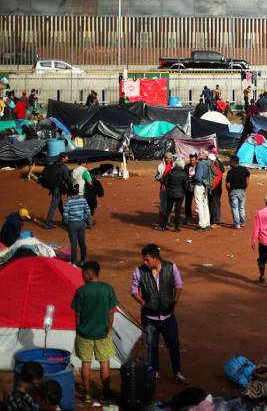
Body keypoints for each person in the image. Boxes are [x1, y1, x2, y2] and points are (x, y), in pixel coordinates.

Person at [130, 244, 188, 383]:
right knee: (152, 345)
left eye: (147, 260)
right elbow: (134, 291)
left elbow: (179, 285)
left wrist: (175, 300)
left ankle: (177, 372)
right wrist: (143, 303)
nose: (144, 262)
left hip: (168, 316)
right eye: (144, 260)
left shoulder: (171, 267)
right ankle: (155, 371)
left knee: (173, 344)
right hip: (149, 318)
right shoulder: (139, 271)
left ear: (155, 258)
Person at [70, 261, 118, 403]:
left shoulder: (81, 291)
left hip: (84, 333)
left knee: (86, 363)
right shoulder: (108, 289)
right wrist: (109, 328)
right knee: (104, 362)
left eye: (83, 273)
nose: (82, 276)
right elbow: (111, 313)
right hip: (103, 333)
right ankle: (106, 393)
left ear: (88, 274)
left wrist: (78, 328)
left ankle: (87, 394)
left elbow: (77, 315)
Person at [62, 183, 91, 266]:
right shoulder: (83, 200)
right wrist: (83, 219)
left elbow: (65, 214)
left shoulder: (69, 201)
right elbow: (88, 212)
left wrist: (67, 222)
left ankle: (73, 262)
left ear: (70, 192)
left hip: (72, 224)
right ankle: (83, 261)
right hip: (81, 223)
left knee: (74, 244)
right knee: (82, 243)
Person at [41, 154, 70, 229]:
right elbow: (67, 178)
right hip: (57, 188)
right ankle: (47, 222)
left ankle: (64, 220)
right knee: (53, 206)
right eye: (67, 157)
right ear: (63, 158)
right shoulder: (63, 167)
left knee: (59, 204)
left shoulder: (53, 164)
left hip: (52, 187)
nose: (68, 158)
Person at [161, 158, 187, 232]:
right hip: (180, 194)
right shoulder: (183, 173)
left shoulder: (170, 172)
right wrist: (182, 190)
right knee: (177, 211)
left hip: (170, 193)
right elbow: (186, 185)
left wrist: (169, 187)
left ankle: (163, 226)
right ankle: (176, 227)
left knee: (168, 210)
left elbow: (165, 182)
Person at [226, 155, 250, 229]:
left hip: (233, 191)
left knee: (235, 208)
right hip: (242, 190)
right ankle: (242, 222)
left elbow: (228, 184)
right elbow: (248, 179)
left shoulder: (230, 171)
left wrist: (229, 191)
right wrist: (245, 187)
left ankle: (237, 224)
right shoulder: (244, 169)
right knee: (241, 207)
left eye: (230, 161)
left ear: (233, 162)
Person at [155, 153, 175, 229]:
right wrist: (160, 178)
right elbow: (156, 177)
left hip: (172, 189)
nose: (168, 160)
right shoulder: (160, 166)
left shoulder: (174, 166)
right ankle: (161, 223)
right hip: (163, 189)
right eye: (167, 158)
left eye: (170, 158)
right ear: (164, 158)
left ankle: (168, 221)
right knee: (162, 206)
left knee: (170, 206)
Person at [193, 150, 211, 230]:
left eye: (202, 153)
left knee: (199, 204)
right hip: (205, 185)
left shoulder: (200, 163)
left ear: (206, 155)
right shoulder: (209, 163)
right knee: (205, 204)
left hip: (199, 185)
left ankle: (202, 224)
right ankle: (207, 223)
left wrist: (193, 179)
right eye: (199, 153)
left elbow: (198, 177)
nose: (199, 154)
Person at [207, 152, 225, 227]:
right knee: (214, 204)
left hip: (214, 190)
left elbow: (214, 181)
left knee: (214, 204)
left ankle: (216, 221)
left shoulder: (215, 169)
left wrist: (211, 187)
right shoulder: (218, 167)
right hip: (216, 190)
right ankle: (213, 220)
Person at [183, 153, 198, 226]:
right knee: (188, 202)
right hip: (188, 187)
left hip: (197, 187)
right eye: (191, 160)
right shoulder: (186, 166)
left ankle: (199, 217)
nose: (192, 161)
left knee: (198, 203)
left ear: (196, 160)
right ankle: (188, 217)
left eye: (193, 160)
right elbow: (184, 176)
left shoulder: (199, 166)